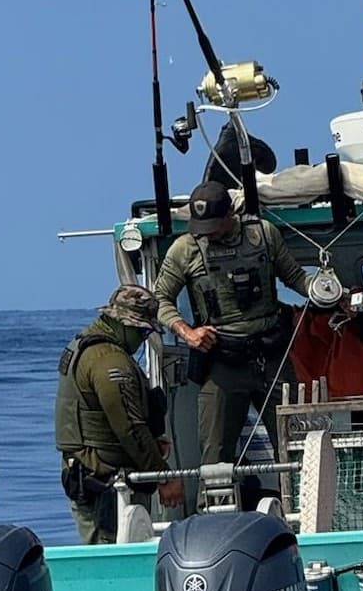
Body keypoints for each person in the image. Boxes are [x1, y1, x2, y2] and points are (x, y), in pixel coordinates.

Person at [153, 181, 314, 464]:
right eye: (202, 227)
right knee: (215, 454)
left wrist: (325, 291)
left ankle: (300, 492)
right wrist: (187, 331)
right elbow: (160, 299)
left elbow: (295, 276)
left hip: (271, 358)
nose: (208, 233)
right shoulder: (184, 249)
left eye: (214, 225)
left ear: (230, 214)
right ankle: (217, 494)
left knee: (296, 445)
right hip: (222, 361)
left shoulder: (263, 235)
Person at [55, 284, 183, 544]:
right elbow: (130, 428)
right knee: (110, 549)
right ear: (123, 324)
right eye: (143, 331)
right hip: (107, 482)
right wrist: (163, 476)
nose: (143, 339)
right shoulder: (110, 362)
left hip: (89, 472)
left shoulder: (83, 345)